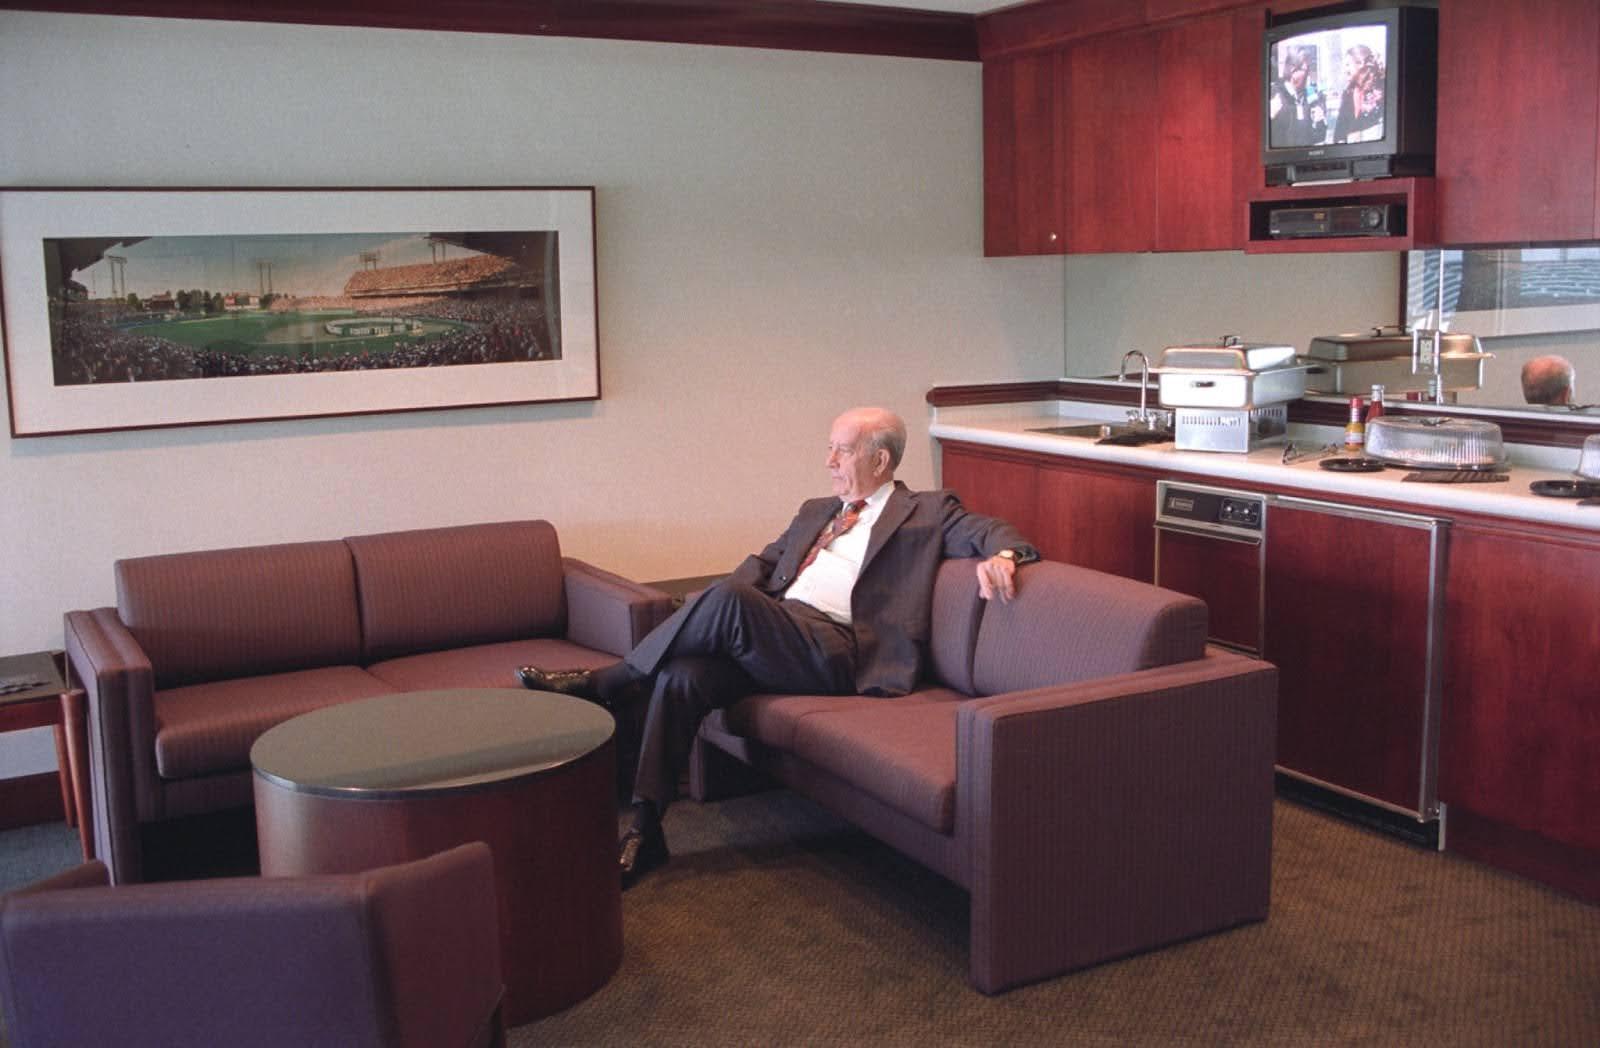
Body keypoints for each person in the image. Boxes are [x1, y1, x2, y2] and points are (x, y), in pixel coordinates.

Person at [518, 406, 1038, 887]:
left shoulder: (925, 511)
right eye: (829, 447)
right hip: (778, 634)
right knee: (683, 677)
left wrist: (1007, 555)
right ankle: (646, 830)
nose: (828, 460)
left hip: (841, 652)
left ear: (880, 459)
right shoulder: (816, 511)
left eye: (842, 450)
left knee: (730, 603)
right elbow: (761, 567)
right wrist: (703, 614)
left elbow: (990, 530)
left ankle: (613, 682)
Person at [1268, 46, 1327, 147]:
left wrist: (1320, 122)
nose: (1308, 75)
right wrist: (1270, 116)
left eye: (1309, 69)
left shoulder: (1309, 98)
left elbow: (1317, 139)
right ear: (1292, 69)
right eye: (1305, 69)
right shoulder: (1273, 94)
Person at [1332, 44, 1385, 144]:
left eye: (1348, 65)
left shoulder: (1381, 87)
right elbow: (1339, 131)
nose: (1344, 70)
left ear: (1360, 64)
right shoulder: (1348, 94)